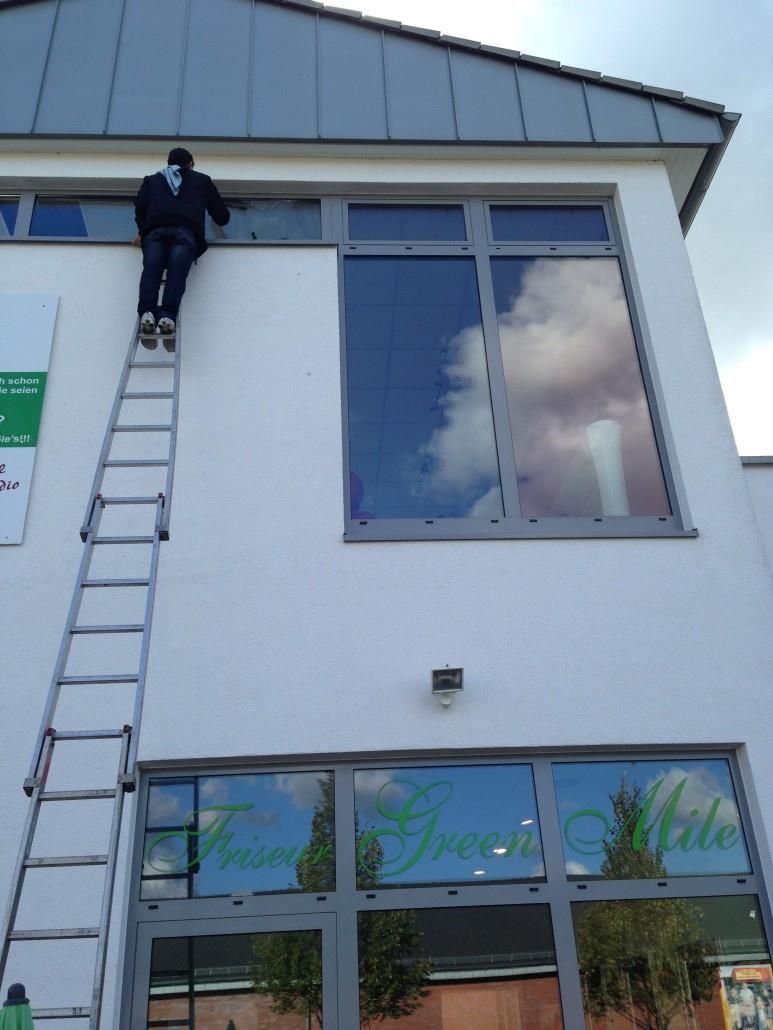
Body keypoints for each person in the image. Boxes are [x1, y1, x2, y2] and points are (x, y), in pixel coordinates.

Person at [133, 147, 230, 350]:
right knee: (177, 274)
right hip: (185, 233)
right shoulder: (201, 180)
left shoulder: (152, 180)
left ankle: (147, 313)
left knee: (151, 271)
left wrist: (143, 231)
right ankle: (167, 317)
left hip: (155, 233)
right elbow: (221, 215)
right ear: (190, 164)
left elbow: (140, 206)